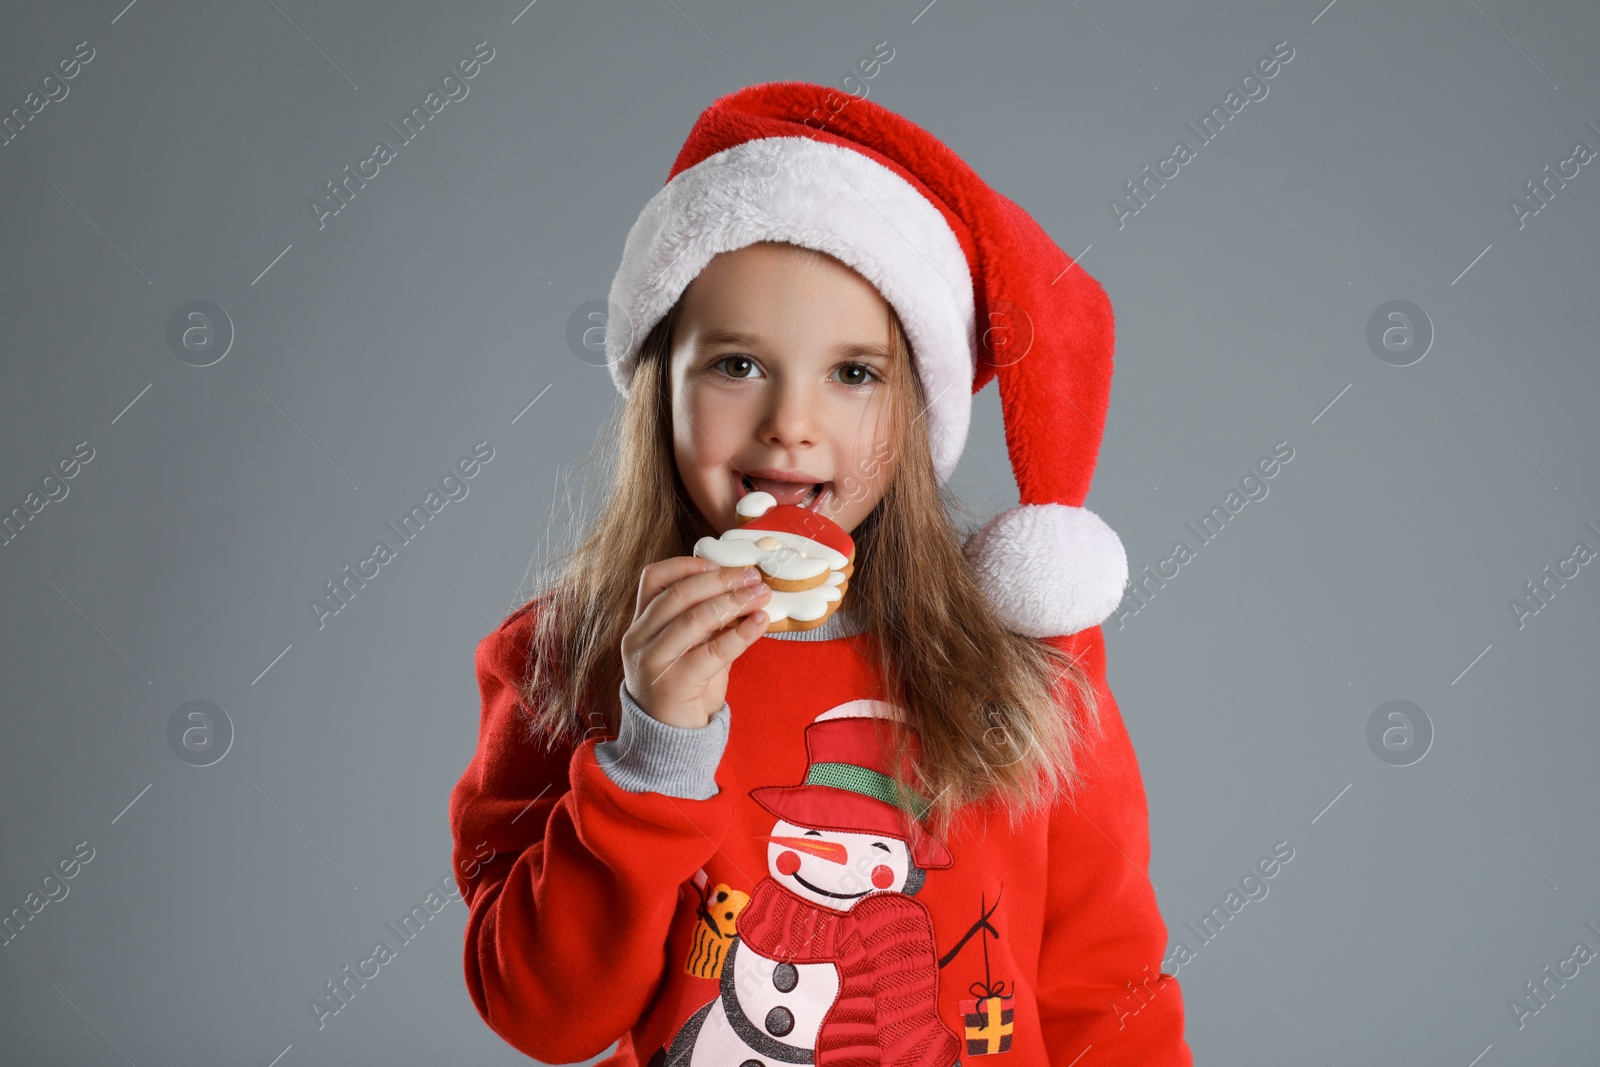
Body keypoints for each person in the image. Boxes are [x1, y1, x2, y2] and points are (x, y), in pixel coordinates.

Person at [449, 81, 1192, 1066]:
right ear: (656, 385)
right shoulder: (561, 653)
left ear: (917, 411)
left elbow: (1106, 988)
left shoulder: (1028, 658)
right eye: (737, 365)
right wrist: (653, 748)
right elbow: (545, 1015)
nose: (790, 423)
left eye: (855, 373)